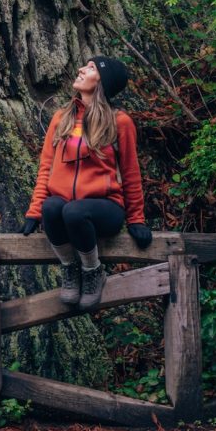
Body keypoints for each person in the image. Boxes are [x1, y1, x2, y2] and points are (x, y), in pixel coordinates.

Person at [20, 56, 152, 309]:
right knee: (52, 208)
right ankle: (70, 269)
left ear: (102, 81)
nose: (81, 69)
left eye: (91, 68)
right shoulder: (61, 118)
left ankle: (92, 271)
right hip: (67, 208)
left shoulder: (119, 122)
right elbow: (46, 167)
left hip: (105, 208)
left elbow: (131, 172)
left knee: (74, 210)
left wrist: (136, 219)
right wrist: (34, 211)